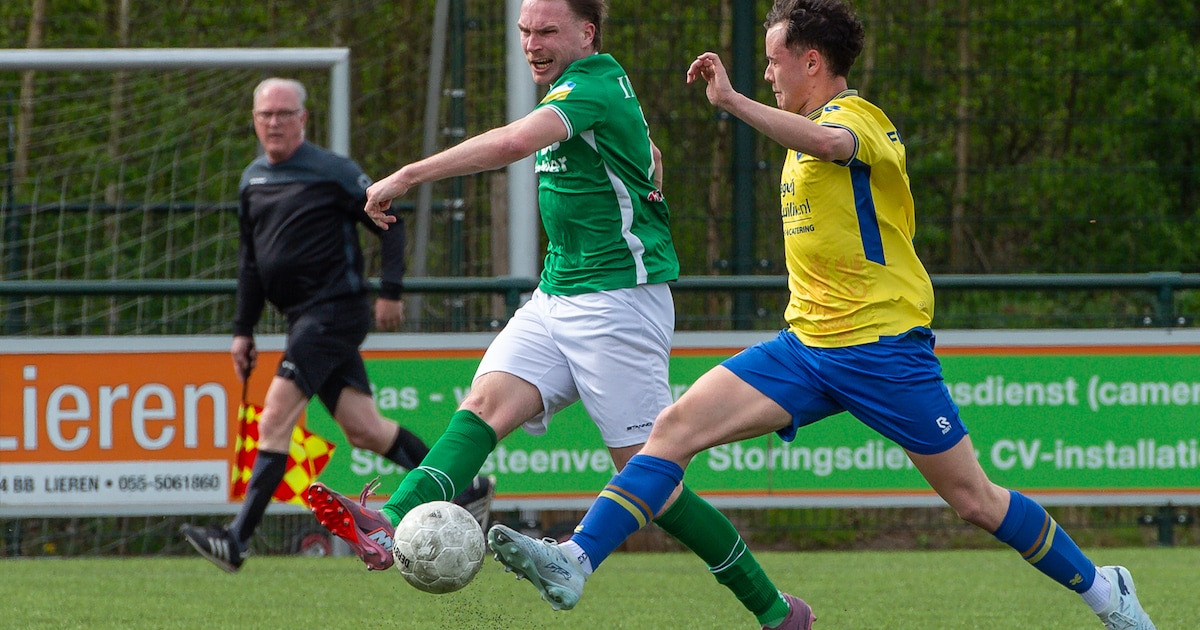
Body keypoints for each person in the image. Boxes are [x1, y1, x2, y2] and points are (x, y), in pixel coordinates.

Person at [487, 1, 1158, 629]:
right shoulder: (800, 135)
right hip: (805, 349)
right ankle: (575, 561)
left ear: (813, 62)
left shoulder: (859, 120)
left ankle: (1106, 590)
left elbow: (831, 144)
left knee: (975, 501)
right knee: (674, 427)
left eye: (776, 59)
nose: (769, 72)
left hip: (883, 349)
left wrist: (731, 101)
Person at [305, 1, 812, 627]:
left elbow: (515, 142)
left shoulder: (591, 83)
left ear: (586, 32)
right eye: (524, 31)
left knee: (654, 480)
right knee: (483, 409)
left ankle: (775, 611)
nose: (532, 43)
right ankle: (389, 525)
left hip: (618, 304)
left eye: (546, 30)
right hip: (556, 295)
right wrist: (645, 160)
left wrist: (407, 175)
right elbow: (641, 157)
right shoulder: (586, 90)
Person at [180, 77, 493, 574]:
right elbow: (251, 263)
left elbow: (390, 220)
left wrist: (391, 290)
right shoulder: (252, 181)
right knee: (366, 430)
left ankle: (237, 541)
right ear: (255, 121)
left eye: (285, 113)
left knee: (275, 417)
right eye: (266, 115)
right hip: (302, 320)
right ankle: (467, 486)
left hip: (335, 311)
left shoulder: (332, 172)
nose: (275, 122)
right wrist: (243, 329)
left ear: (304, 119)